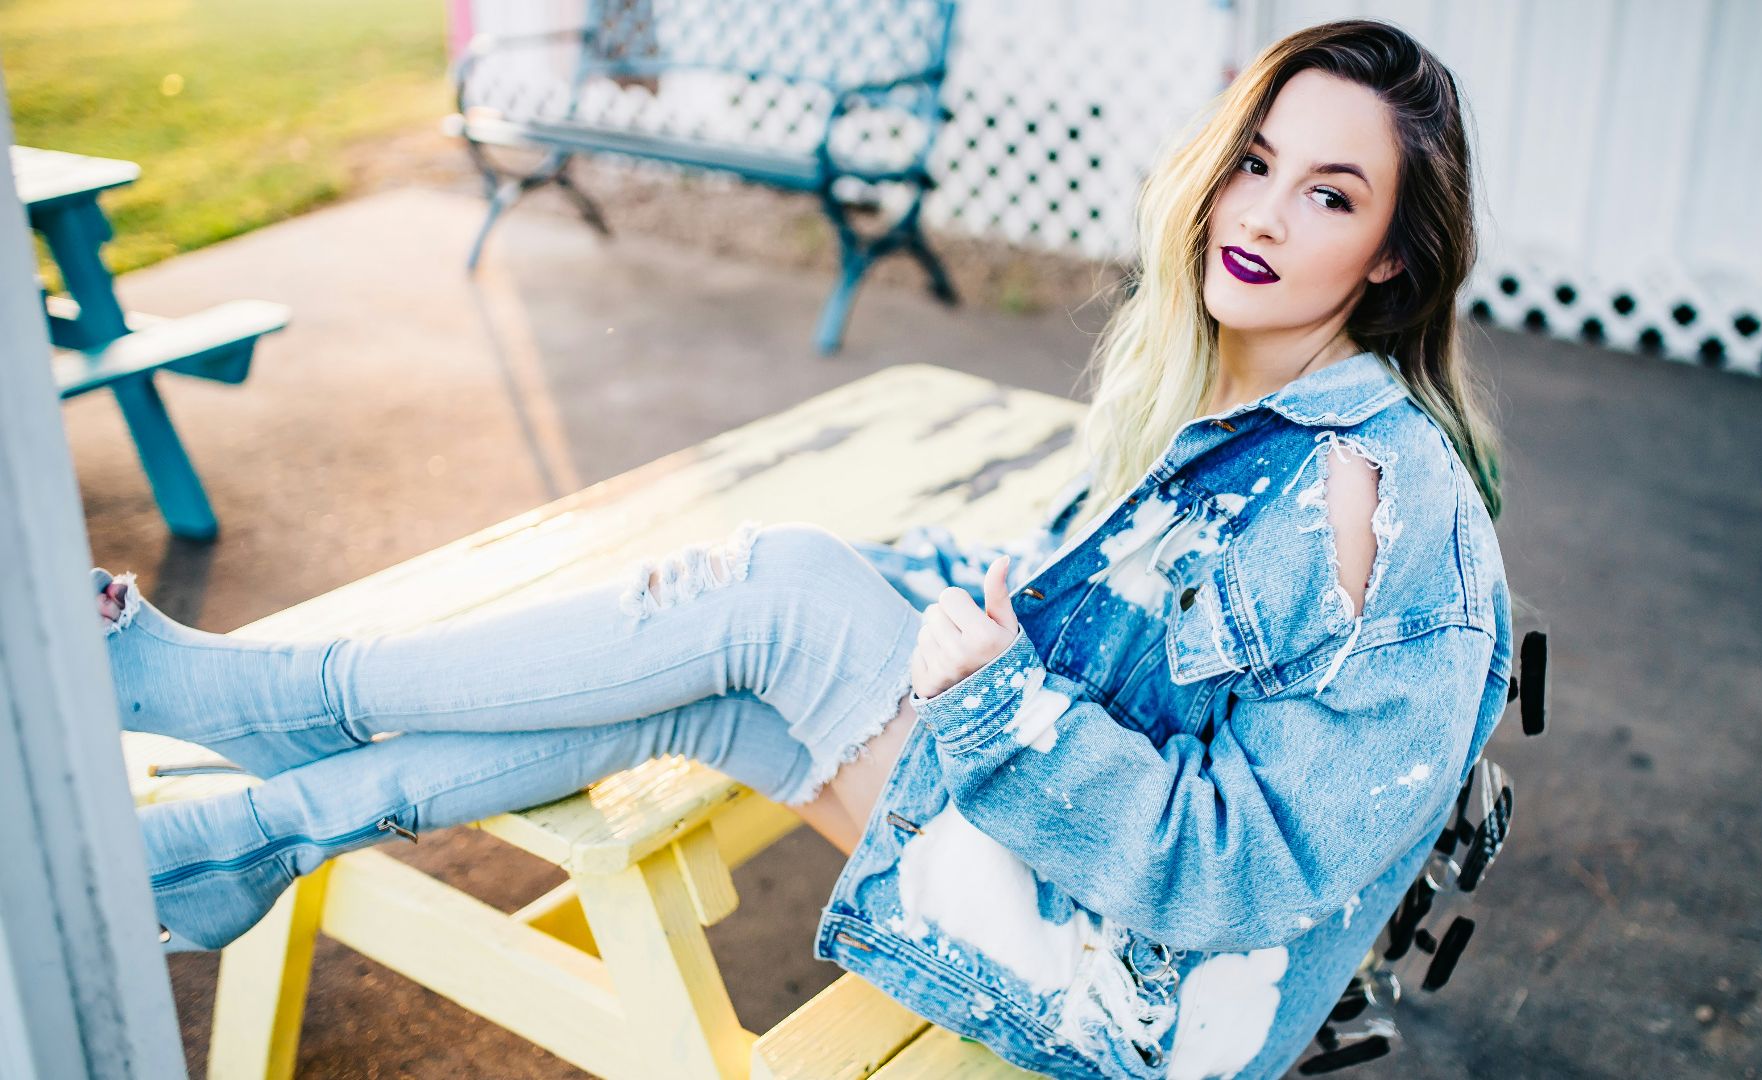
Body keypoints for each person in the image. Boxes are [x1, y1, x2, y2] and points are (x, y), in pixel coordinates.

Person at [94, 18, 1511, 1079]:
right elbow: (1090, 604)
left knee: (776, 602)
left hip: (1150, 989)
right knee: (741, 652)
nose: (1261, 211)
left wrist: (999, 697)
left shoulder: (1378, 509)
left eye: (1331, 194)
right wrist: (960, 605)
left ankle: (272, 704)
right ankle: (269, 833)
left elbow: (1235, 876)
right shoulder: (1241, 399)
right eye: (1257, 160)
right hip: (1080, 873)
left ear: (1392, 254)